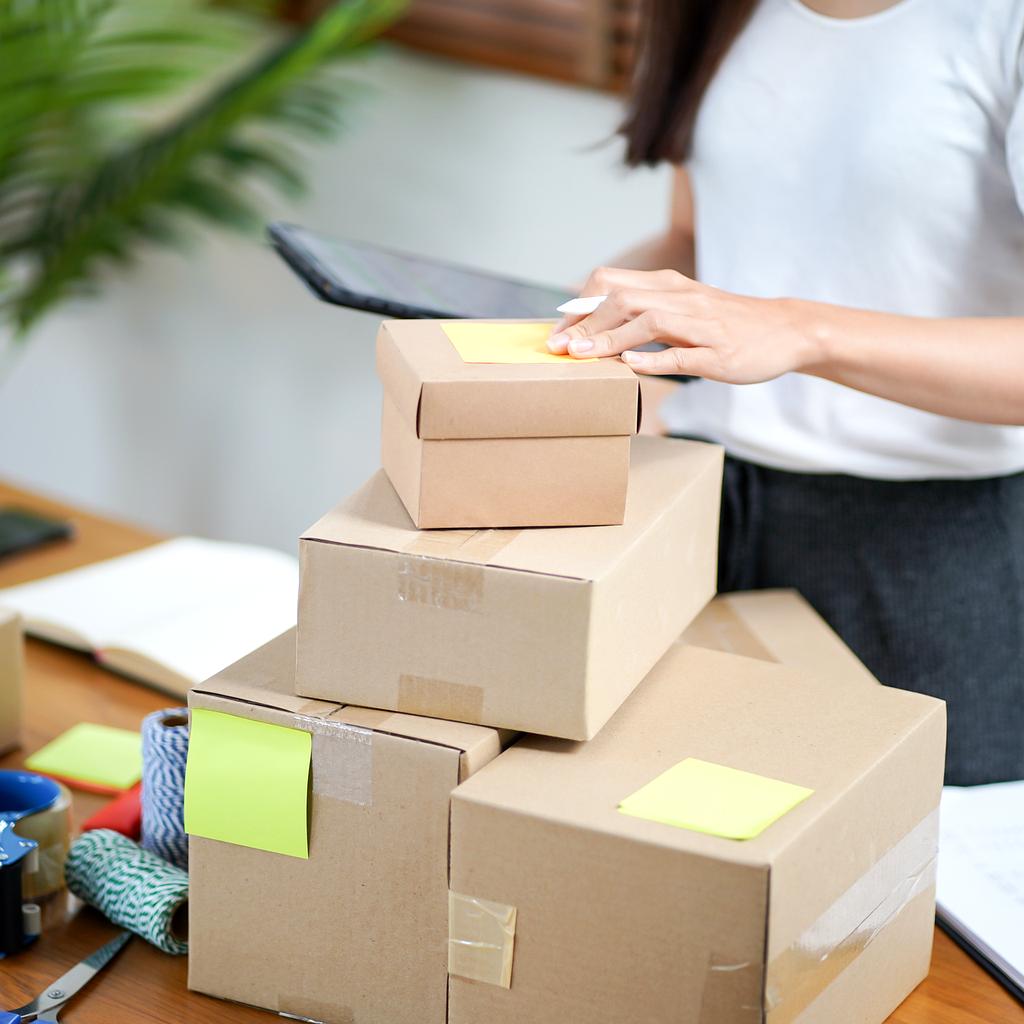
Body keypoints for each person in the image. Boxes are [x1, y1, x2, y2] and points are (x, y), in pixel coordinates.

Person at [549, 0, 1024, 785]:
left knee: (905, 851)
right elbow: (696, 238)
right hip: (707, 510)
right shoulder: (717, 11)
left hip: (931, 553)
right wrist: (571, 326)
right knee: (671, 829)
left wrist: (803, 330)